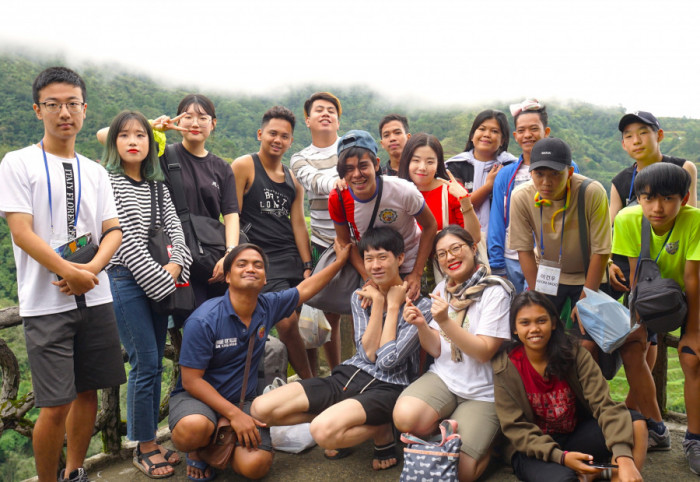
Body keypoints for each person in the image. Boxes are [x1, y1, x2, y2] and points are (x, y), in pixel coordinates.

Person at [0, 67, 126, 482]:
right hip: (45, 302)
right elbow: (21, 232)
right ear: (38, 110)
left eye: (72, 103)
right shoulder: (18, 163)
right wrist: (69, 273)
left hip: (96, 295)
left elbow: (113, 231)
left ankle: (75, 472)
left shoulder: (95, 170)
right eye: (53, 104)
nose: (64, 112)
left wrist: (89, 271)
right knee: (54, 404)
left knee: (89, 391)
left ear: (85, 110)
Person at [168, 241, 351, 481]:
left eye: (258, 265)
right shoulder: (204, 320)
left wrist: (339, 262)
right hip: (199, 399)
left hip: (243, 400)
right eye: (241, 264)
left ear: (265, 279)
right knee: (193, 429)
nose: (250, 269)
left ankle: (219, 445)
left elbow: (306, 289)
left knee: (256, 466)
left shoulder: (267, 306)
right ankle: (199, 449)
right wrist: (235, 416)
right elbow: (192, 381)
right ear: (228, 276)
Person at [251, 227, 430, 471]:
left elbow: (386, 362)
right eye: (369, 259)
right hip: (347, 376)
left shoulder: (423, 306)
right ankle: (361, 424)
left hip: (389, 386)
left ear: (399, 258)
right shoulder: (361, 297)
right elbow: (367, 353)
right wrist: (378, 303)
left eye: (382, 257)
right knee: (261, 409)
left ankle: (379, 427)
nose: (375, 265)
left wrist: (394, 305)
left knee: (323, 433)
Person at [102, 111, 192, 478]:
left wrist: (177, 267)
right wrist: (163, 280)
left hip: (160, 281)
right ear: (114, 143)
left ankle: (150, 440)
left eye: (140, 135)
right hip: (126, 282)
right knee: (145, 363)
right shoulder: (108, 182)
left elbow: (176, 230)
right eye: (124, 136)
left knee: (155, 363)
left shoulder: (157, 186)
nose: (133, 141)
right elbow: (124, 241)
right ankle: (144, 445)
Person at [393, 225, 513, 481]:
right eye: (442, 254)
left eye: (456, 248)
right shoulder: (442, 290)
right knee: (404, 417)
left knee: (461, 473)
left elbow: (483, 352)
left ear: (472, 248)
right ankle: (448, 431)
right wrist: (421, 325)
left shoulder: (495, 291)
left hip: (484, 393)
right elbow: (436, 347)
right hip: (445, 379)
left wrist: (446, 321)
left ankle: (492, 444)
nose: (450, 257)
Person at [492, 291, 646, 482]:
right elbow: (517, 429)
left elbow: (604, 406)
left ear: (553, 323)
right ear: (514, 328)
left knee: (634, 423)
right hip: (533, 449)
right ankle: (592, 474)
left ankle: (616, 476)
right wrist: (562, 458)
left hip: (575, 435)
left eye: (541, 321)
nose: (534, 329)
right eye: (525, 323)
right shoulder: (505, 367)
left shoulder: (574, 355)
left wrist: (625, 460)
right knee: (566, 479)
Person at [612, 162, 700, 475]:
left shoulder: (695, 220)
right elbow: (637, 275)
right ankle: (658, 427)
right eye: (648, 198)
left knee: (691, 358)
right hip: (649, 293)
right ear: (638, 198)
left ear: (685, 198)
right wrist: (637, 322)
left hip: (690, 295)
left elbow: (693, 279)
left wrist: (692, 332)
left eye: (667, 199)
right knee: (632, 348)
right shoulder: (628, 218)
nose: (657, 207)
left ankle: (694, 438)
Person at [231, 106, 315, 379]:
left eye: (285, 136)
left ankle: (310, 379)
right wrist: (237, 258)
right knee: (286, 322)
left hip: (290, 257)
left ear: (291, 141)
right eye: (272, 133)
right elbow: (234, 214)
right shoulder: (244, 166)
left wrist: (306, 264)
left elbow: (299, 223)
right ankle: (310, 382)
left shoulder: (293, 179)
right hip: (262, 260)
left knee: (302, 323)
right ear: (260, 134)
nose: (278, 140)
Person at [508, 137, 610, 348]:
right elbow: (524, 250)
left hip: (587, 275)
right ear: (531, 173)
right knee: (537, 337)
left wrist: (586, 300)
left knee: (585, 345)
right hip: (547, 275)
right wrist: (537, 299)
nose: (546, 182)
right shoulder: (521, 197)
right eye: (539, 174)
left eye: (555, 174)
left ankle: (584, 380)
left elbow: (601, 251)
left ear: (570, 172)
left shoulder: (591, 193)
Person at [329, 130, 437, 301]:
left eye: (363, 166)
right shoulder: (338, 198)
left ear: (376, 164)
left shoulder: (403, 191)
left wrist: (416, 273)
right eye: (348, 169)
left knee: (413, 318)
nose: (357, 174)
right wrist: (368, 278)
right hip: (373, 267)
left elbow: (430, 226)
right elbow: (345, 243)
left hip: (410, 262)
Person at [488, 99, 579, 293]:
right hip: (512, 259)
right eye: (521, 130)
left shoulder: (567, 168)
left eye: (533, 129)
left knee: (547, 312)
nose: (527, 135)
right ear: (515, 135)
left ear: (546, 131)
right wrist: (497, 264)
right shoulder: (505, 174)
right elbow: (497, 219)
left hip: (552, 259)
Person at [290, 91, 344, 368]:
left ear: (338, 121)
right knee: (327, 315)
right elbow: (314, 182)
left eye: (331, 111)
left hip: (360, 241)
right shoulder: (300, 159)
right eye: (319, 110)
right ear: (308, 120)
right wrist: (344, 181)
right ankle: (335, 376)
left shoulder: (350, 148)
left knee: (368, 307)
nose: (325, 113)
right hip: (325, 244)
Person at [397, 133, 481, 295]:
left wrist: (464, 200)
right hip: (406, 273)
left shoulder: (449, 191)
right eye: (416, 160)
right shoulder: (397, 192)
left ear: (438, 164)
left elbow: (474, 237)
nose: (422, 167)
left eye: (430, 162)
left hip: (448, 272)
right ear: (406, 161)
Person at [446, 109, 517, 232]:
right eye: (482, 129)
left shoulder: (511, 167)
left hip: (503, 237)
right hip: (462, 236)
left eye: (494, 131)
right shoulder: (455, 165)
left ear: (503, 140)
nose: (487, 134)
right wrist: (489, 186)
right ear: (472, 135)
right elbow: (460, 205)